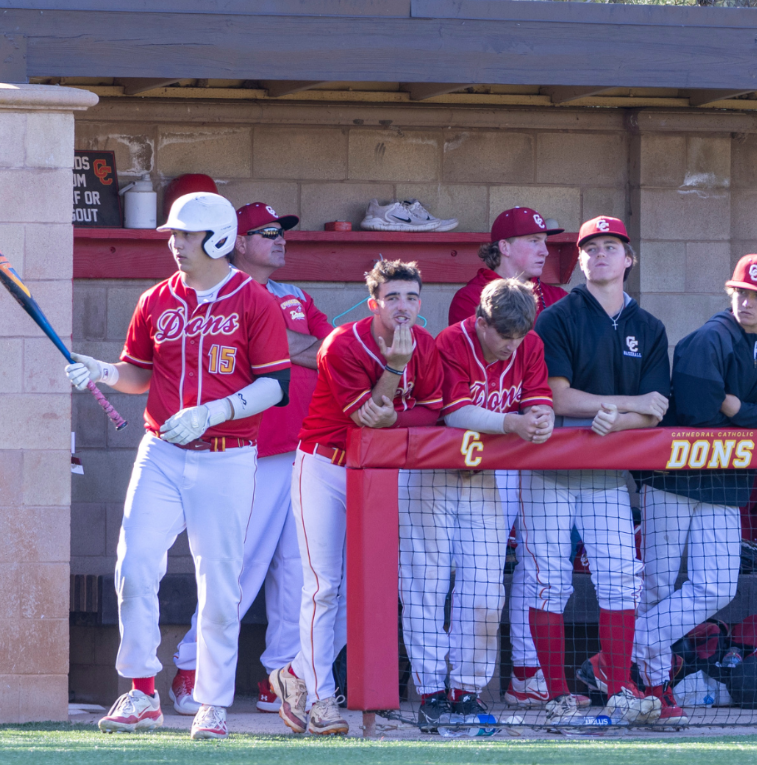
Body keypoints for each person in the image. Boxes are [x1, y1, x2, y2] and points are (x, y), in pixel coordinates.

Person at [67, 191, 291, 739]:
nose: (174, 243)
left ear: (217, 238)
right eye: (173, 234)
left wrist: (215, 411)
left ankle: (212, 701)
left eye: (185, 235)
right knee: (134, 566)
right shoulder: (156, 300)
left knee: (220, 584)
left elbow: (276, 385)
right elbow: (137, 374)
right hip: (162, 451)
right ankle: (141, 691)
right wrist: (102, 371)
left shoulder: (253, 300)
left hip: (227, 455)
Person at [167, 203, 329, 719]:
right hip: (249, 449)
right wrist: (296, 346)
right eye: (267, 233)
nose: (280, 240)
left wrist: (298, 346)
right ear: (236, 241)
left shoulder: (298, 294)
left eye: (282, 232)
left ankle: (281, 675)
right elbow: (274, 352)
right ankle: (191, 666)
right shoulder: (227, 293)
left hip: (302, 448)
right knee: (239, 566)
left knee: (296, 570)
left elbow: (328, 350)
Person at [274, 259, 444, 736]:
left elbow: (434, 410)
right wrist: (394, 369)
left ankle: (294, 675)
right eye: (393, 298)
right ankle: (324, 700)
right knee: (322, 586)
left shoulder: (426, 346)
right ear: (374, 304)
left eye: (411, 298)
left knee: (361, 592)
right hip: (325, 464)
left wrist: (397, 421)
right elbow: (368, 418)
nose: (403, 308)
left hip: (381, 473)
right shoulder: (342, 343)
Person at [633, 253, 757, 720]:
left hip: (727, 482)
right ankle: (652, 685)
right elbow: (698, 413)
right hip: (674, 475)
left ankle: (631, 642)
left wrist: (736, 408)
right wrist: (748, 411)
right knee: (658, 585)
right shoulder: (709, 338)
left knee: (717, 586)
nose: (746, 302)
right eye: (740, 292)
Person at [527, 216, 668, 726]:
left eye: (611, 247)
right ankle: (558, 693)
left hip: (607, 473)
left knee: (621, 581)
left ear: (629, 258)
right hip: (551, 466)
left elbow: (656, 409)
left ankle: (619, 688)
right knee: (548, 583)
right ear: (581, 260)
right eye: (591, 248)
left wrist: (615, 418)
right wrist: (617, 407)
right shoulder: (558, 316)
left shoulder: (649, 327)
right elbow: (560, 396)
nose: (601, 255)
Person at [407, 279, 554, 727]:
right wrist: (514, 422)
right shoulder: (450, 341)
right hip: (429, 474)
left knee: (486, 589)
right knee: (425, 584)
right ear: (480, 321)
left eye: (519, 336)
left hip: (483, 477)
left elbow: (538, 399)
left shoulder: (529, 345)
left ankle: (467, 690)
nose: (512, 346)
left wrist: (541, 416)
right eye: (503, 335)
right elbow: (455, 413)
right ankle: (431, 691)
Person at [448, 205, 570, 692]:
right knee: (476, 573)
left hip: (533, 450)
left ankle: (526, 669)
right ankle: (452, 684)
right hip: (480, 456)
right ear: (503, 247)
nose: (544, 249)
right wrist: (522, 416)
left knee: (541, 563)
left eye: (546, 240)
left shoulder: (557, 298)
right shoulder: (469, 299)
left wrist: (540, 412)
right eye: (533, 240)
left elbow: (545, 378)